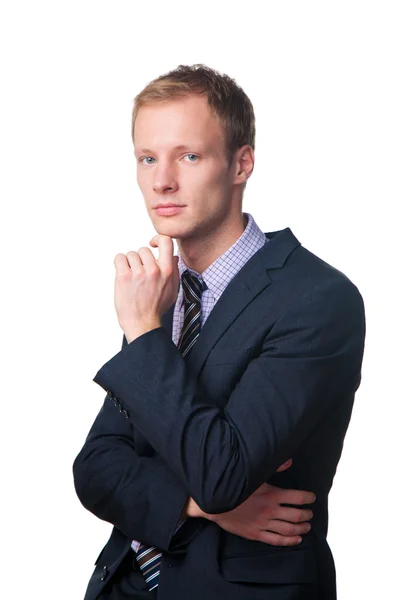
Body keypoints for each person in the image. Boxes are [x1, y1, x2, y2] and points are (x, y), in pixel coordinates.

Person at [73, 64, 365, 600]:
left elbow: (220, 474)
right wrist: (197, 505)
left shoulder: (318, 301)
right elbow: (95, 469)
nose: (162, 180)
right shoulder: (166, 294)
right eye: (147, 158)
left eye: (189, 155)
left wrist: (142, 329)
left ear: (241, 163)